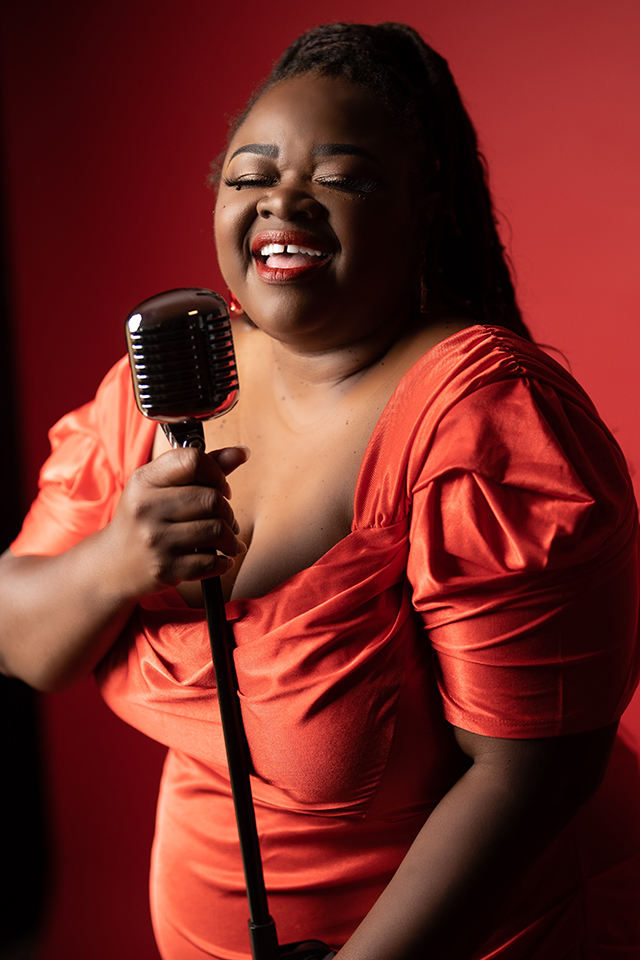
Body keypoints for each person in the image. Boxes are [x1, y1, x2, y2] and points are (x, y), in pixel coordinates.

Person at [1, 21, 639, 960]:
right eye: (249, 176)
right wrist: (112, 563)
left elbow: (535, 778)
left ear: (427, 203)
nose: (282, 204)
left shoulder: (487, 422)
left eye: (340, 179)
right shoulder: (162, 389)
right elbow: (20, 639)